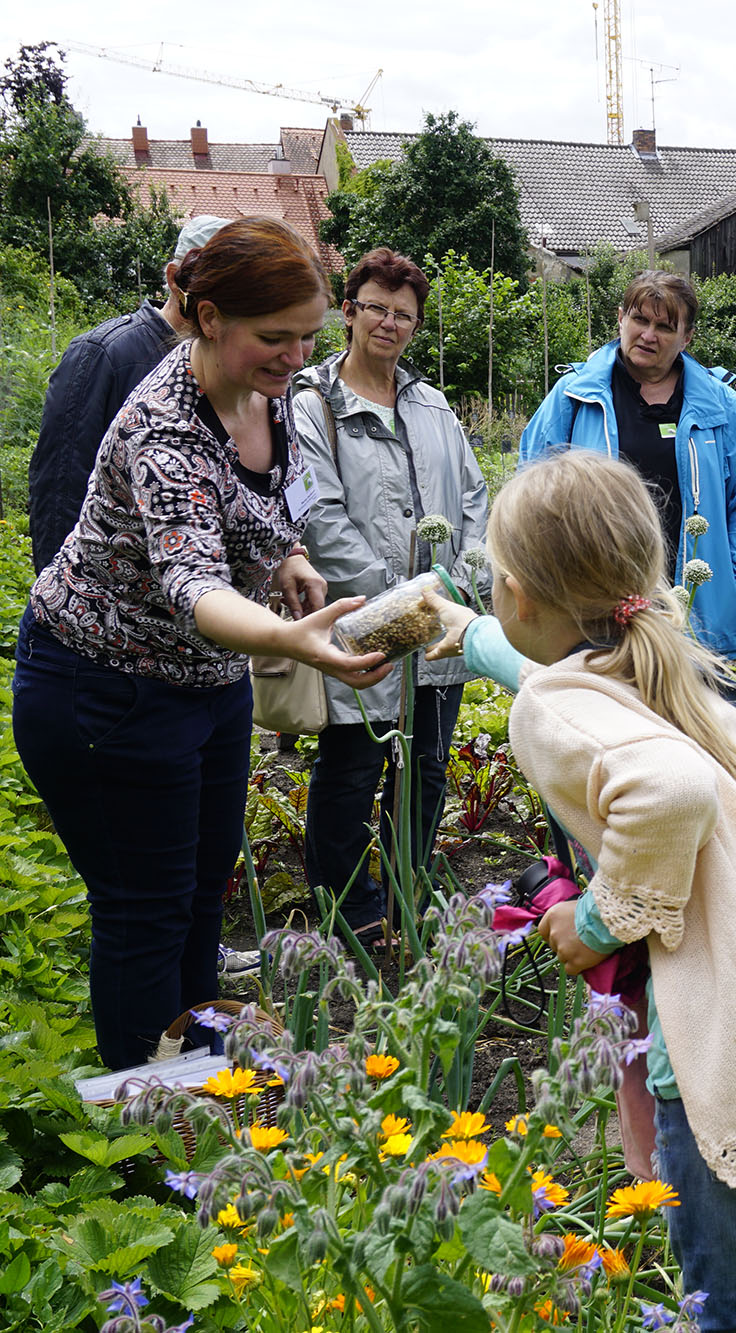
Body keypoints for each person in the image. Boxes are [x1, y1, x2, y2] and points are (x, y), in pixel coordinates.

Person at [425, 450, 736, 1333]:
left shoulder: (557, 704)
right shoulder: (688, 674)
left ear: (516, 593)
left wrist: (595, 921)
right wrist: (464, 630)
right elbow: (564, 679)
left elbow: (666, 789)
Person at [11, 217, 388, 1070]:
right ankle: (150, 1120)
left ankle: (198, 1078)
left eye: (307, 337)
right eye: (275, 337)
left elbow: (260, 508)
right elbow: (196, 588)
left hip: (207, 686)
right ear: (209, 315)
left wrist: (287, 555)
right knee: (143, 910)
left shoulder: (274, 395)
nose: (297, 358)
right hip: (104, 690)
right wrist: (293, 636)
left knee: (200, 895)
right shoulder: (165, 426)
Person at [292, 248, 489, 947]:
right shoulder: (313, 403)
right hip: (364, 622)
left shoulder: (433, 404)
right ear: (349, 311)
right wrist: (396, 599)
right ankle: (350, 904)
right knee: (353, 766)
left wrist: (458, 584)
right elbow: (318, 513)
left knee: (427, 764)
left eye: (404, 314)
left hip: (440, 622)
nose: (389, 322)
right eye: (376, 306)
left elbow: (471, 494)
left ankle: (409, 881)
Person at [518, 270, 736, 754]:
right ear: (620, 319)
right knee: (604, 746)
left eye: (664, 327)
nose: (648, 335)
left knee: (720, 748)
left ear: (687, 336)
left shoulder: (721, 404)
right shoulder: (576, 397)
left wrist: (727, 575)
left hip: (692, 606)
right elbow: (531, 488)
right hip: (595, 605)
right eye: (639, 319)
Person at [28, 214, 230, 572]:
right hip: (105, 597)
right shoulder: (105, 354)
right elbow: (61, 489)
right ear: (173, 278)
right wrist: (60, 593)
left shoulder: (232, 365)